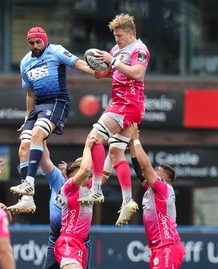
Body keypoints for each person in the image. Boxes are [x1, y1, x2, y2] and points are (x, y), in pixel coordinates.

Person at [8, 26, 94, 212]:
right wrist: (26, 118)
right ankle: (27, 199)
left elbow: (78, 64)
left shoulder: (55, 50)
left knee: (37, 134)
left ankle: (29, 183)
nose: (35, 45)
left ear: (44, 40)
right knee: (24, 146)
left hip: (57, 101)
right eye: (31, 43)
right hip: (37, 107)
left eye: (38, 41)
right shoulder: (25, 62)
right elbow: (30, 93)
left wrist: (98, 73)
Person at [77, 13, 150, 227]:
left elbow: (137, 73)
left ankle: (96, 188)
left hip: (128, 104)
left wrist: (114, 61)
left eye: (119, 35)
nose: (116, 39)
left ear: (130, 33)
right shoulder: (116, 50)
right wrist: (98, 66)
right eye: (115, 35)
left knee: (94, 139)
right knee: (115, 152)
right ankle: (127, 200)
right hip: (121, 103)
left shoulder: (140, 49)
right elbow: (106, 73)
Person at [129, 123, 185, 269]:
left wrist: (136, 139)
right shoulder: (151, 189)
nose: (154, 171)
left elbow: (145, 167)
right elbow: (138, 169)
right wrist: (131, 145)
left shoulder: (164, 188)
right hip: (158, 247)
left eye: (158, 170)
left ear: (164, 178)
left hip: (167, 245)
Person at [54, 135, 96, 269]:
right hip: (68, 240)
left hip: (81, 244)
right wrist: (87, 146)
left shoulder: (89, 187)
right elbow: (84, 171)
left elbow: (105, 173)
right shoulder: (67, 188)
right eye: (84, 175)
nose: (88, 175)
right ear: (73, 177)